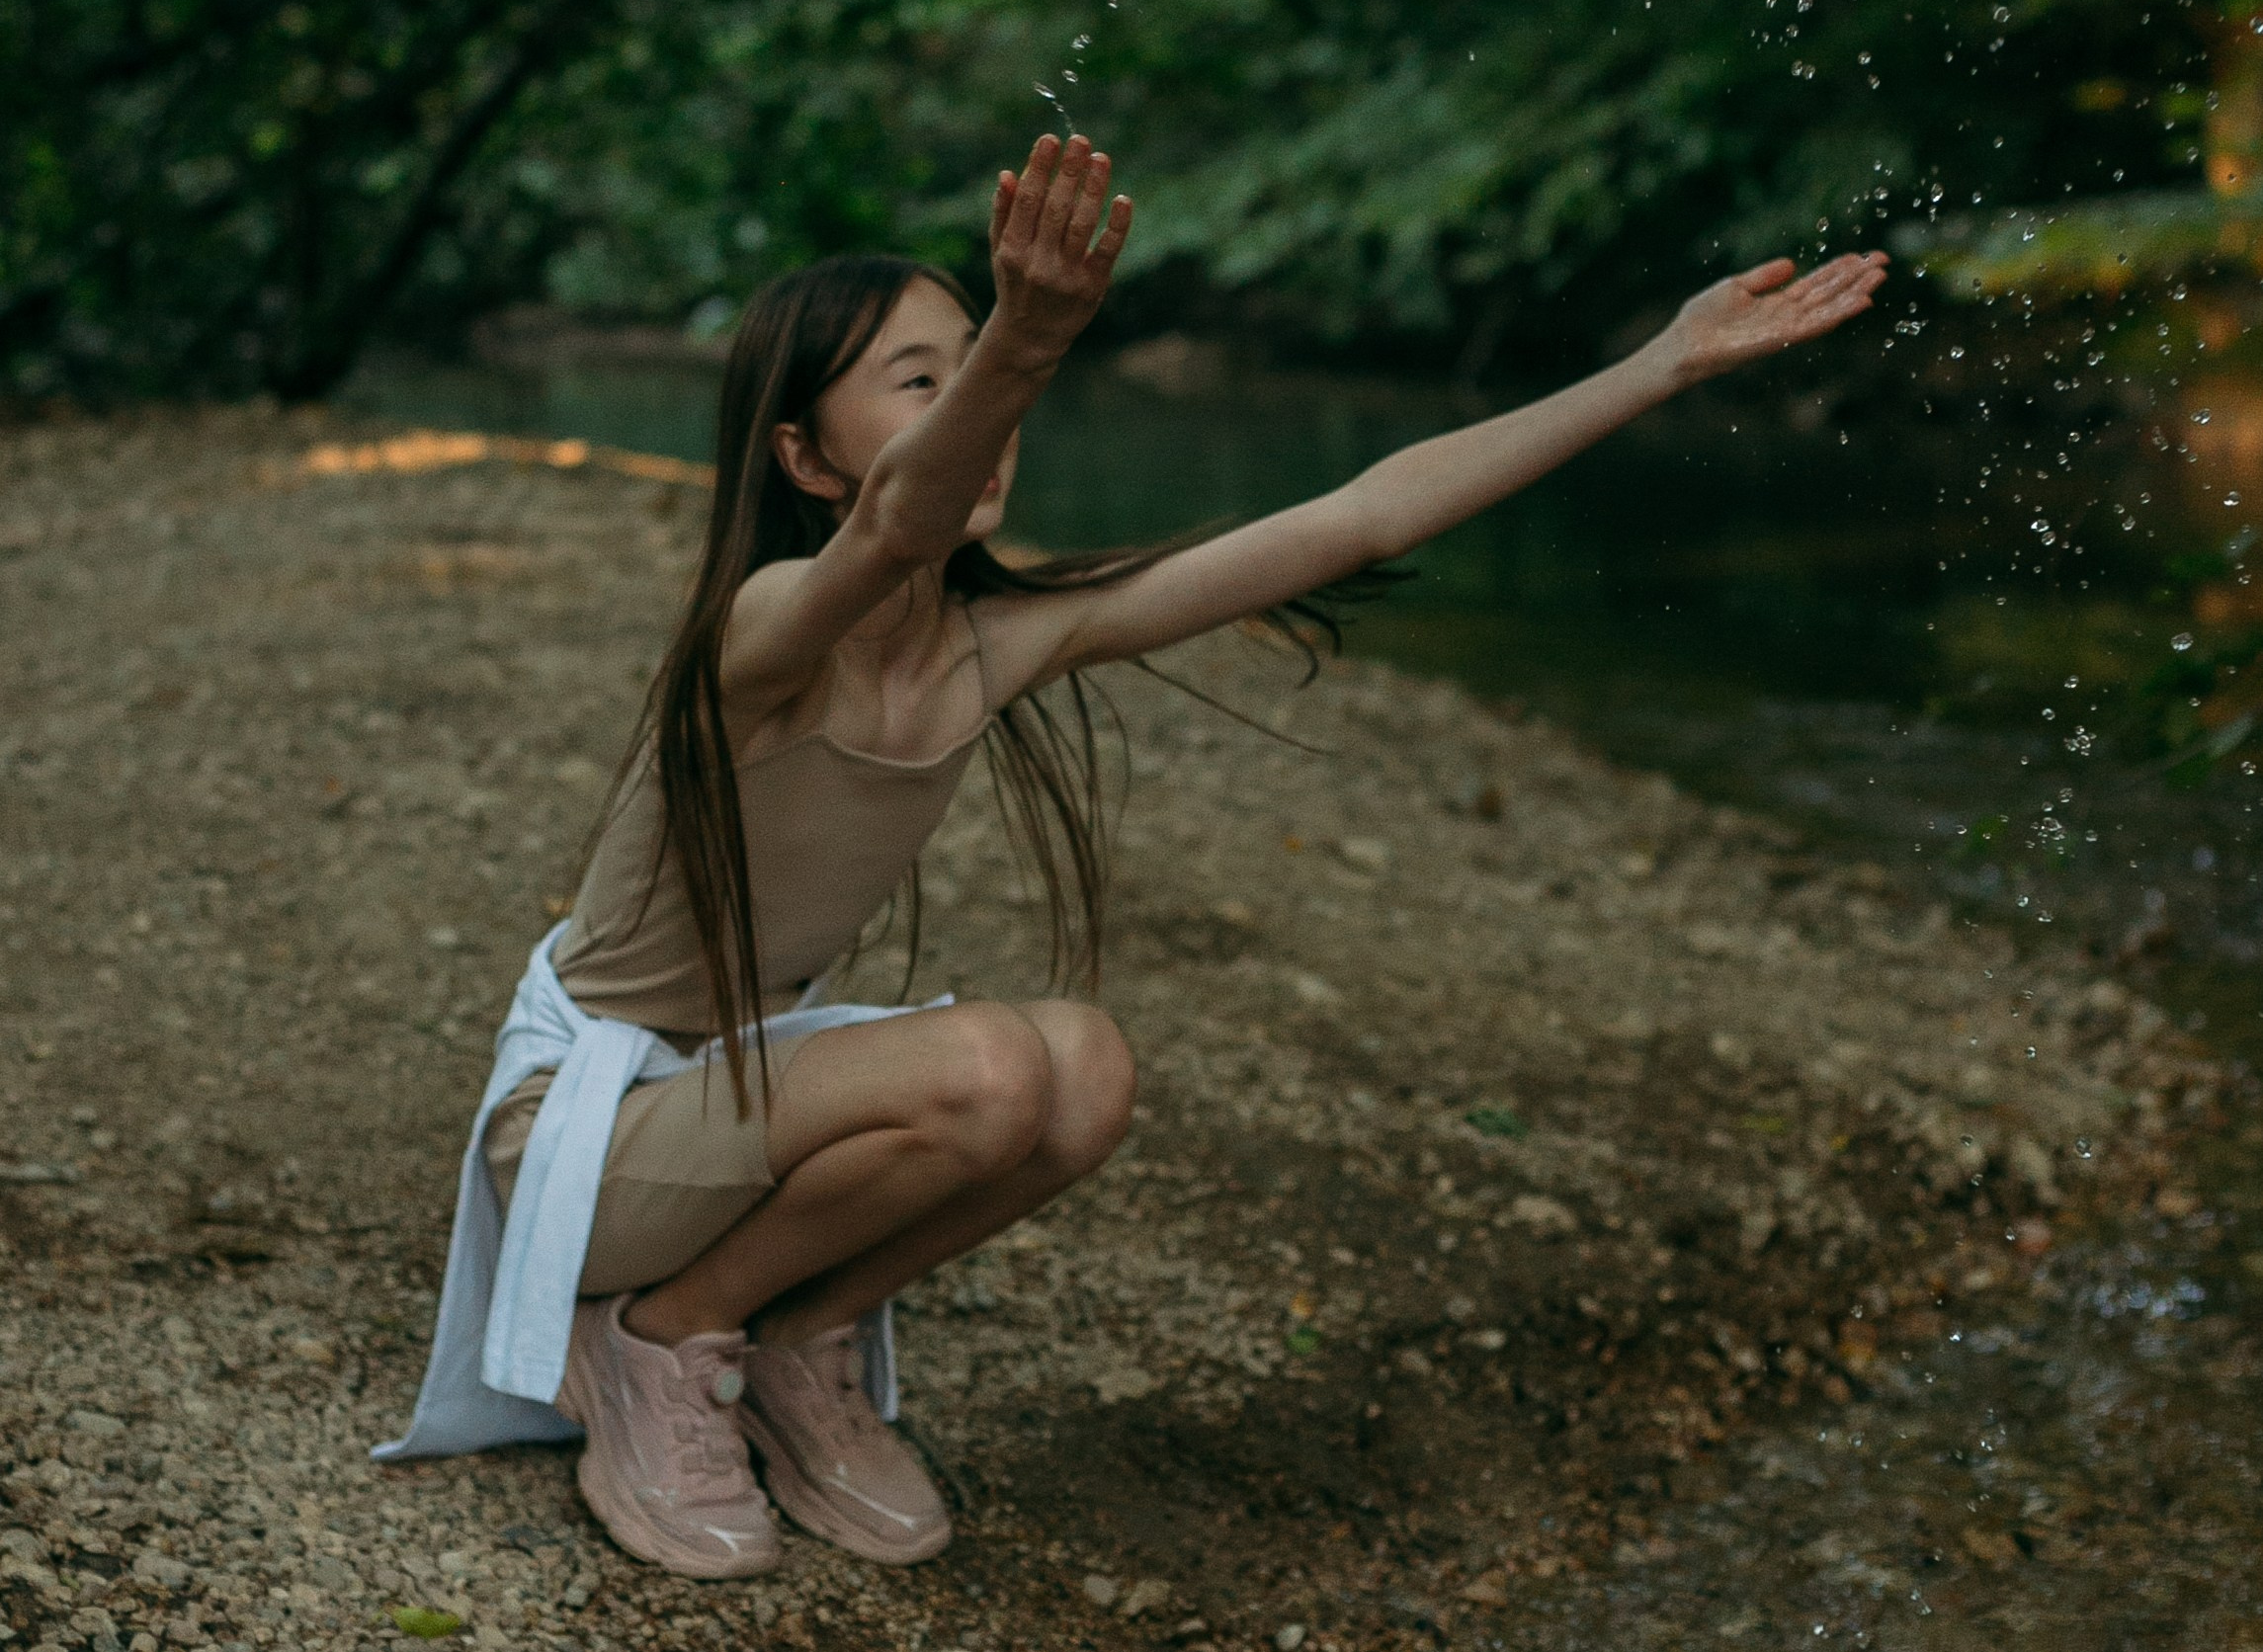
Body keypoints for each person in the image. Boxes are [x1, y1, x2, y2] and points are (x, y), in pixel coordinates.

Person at [377, 130, 1886, 1576]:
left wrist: (1658, 364)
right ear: (804, 455)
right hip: (584, 1153)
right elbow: (894, 529)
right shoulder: (764, 633)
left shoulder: (999, 643)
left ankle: (784, 1342)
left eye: (980, 370)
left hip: (743, 1107)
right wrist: (1027, 337)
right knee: (985, 1068)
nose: (980, 402)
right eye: (927, 376)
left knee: (1081, 1070)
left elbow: (1357, 516)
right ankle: (651, 1344)